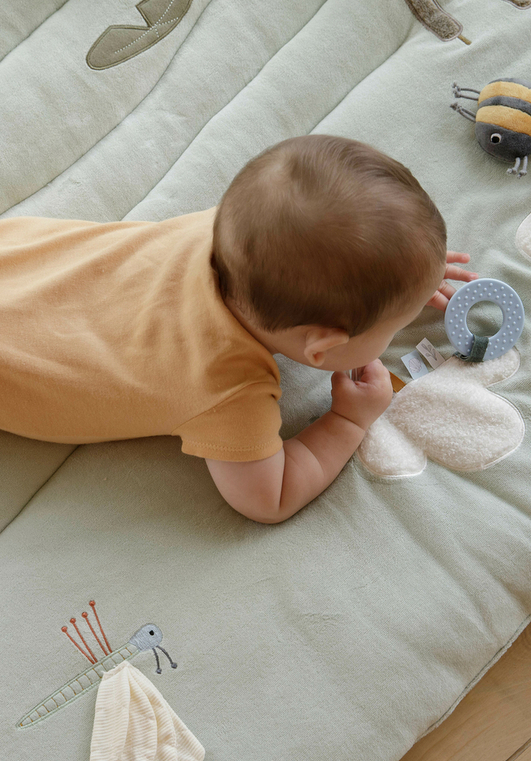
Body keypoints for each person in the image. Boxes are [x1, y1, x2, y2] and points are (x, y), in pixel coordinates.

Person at [0, 135, 474, 522]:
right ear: (320, 349)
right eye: (398, 326)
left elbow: (328, 239)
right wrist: (348, 420)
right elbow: (270, 498)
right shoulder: (230, 392)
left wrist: (406, 277)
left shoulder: (231, 232)